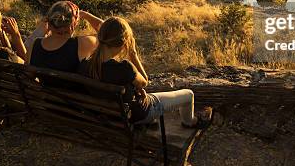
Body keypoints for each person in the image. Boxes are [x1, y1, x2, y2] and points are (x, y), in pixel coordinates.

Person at [80, 16, 211, 128]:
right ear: (124, 42)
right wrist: (133, 54)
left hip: (108, 116)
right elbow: (144, 82)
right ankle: (190, 122)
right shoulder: (124, 67)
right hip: (136, 115)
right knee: (188, 94)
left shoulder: (85, 65)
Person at [26, 1, 102, 74]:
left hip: (42, 87)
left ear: (49, 22)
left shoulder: (35, 44)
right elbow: (110, 32)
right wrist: (85, 15)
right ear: (74, 24)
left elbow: (28, 76)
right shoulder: (83, 44)